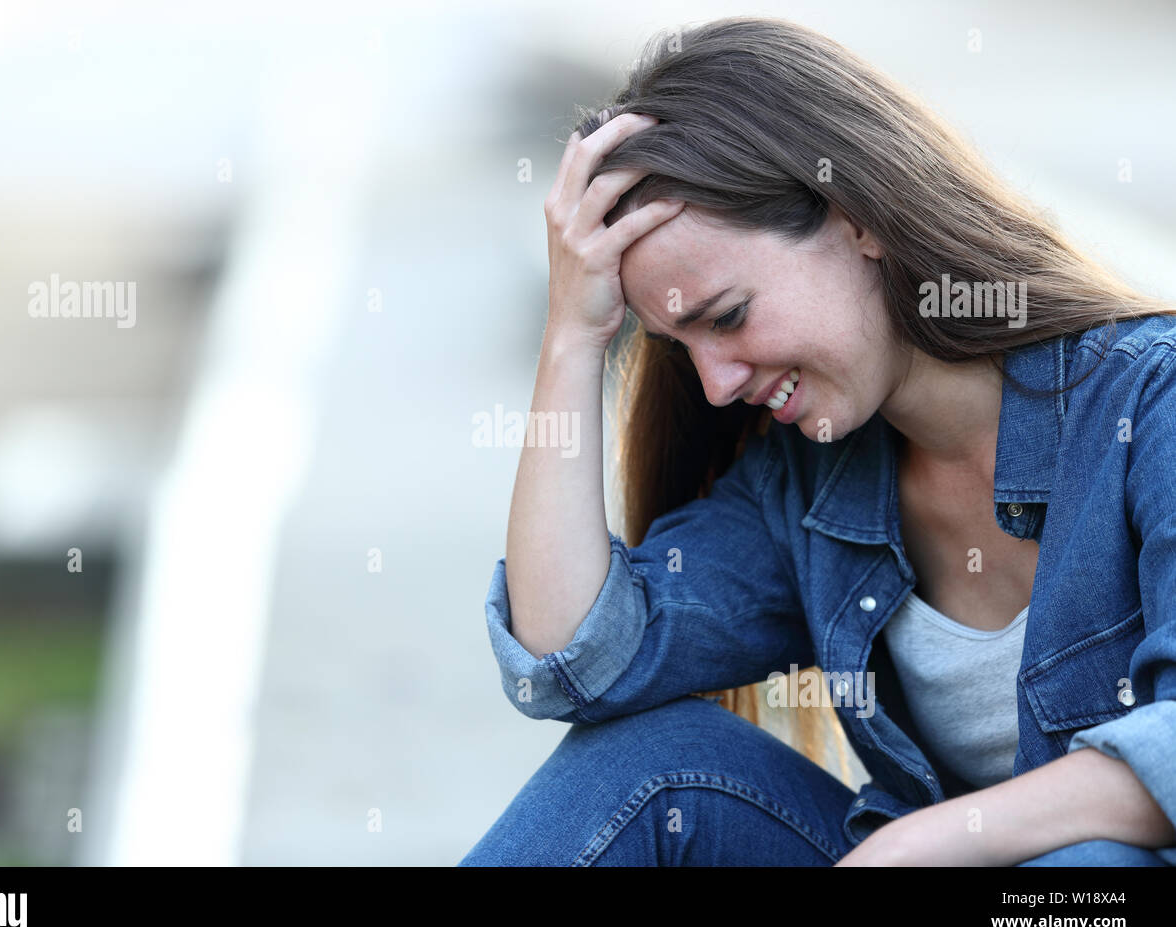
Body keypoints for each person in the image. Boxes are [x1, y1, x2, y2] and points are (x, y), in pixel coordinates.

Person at [460, 16, 1176, 866]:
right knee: (647, 762)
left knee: (1088, 869)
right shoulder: (808, 488)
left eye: (727, 317)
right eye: (678, 347)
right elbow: (577, 655)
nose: (718, 384)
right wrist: (573, 338)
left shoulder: (1150, 399)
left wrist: (921, 844)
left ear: (859, 221)